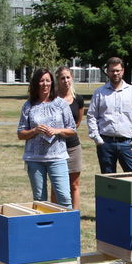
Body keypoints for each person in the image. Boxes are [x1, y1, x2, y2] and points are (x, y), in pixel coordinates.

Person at [18, 68, 76, 208]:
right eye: (41, 80)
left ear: (52, 83)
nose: (45, 84)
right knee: (39, 199)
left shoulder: (60, 104)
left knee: (64, 197)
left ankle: (67, 228)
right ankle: (43, 228)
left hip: (57, 157)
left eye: (48, 81)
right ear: (36, 83)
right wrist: (35, 130)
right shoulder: (28, 105)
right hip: (35, 159)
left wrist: (57, 130)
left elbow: (72, 129)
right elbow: (21, 133)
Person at [86, 57, 132, 173]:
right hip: (106, 144)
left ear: (122, 71)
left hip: (127, 144)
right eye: (112, 71)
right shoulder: (99, 92)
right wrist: (98, 139)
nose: (115, 73)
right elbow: (91, 116)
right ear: (107, 72)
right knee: (109, 184)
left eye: (118, 70)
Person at [54, 65, 86, 209]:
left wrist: (66, 131)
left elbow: (77, 122)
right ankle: (53, 214)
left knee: (74, 184)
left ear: (71, 78)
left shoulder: (78, 99)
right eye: (62, 78)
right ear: (57, 80)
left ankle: (74, 215)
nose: (66, 81)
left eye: (68, 77)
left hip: (73, 147)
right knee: (56, 184)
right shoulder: (52, 99)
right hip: (55, 147)